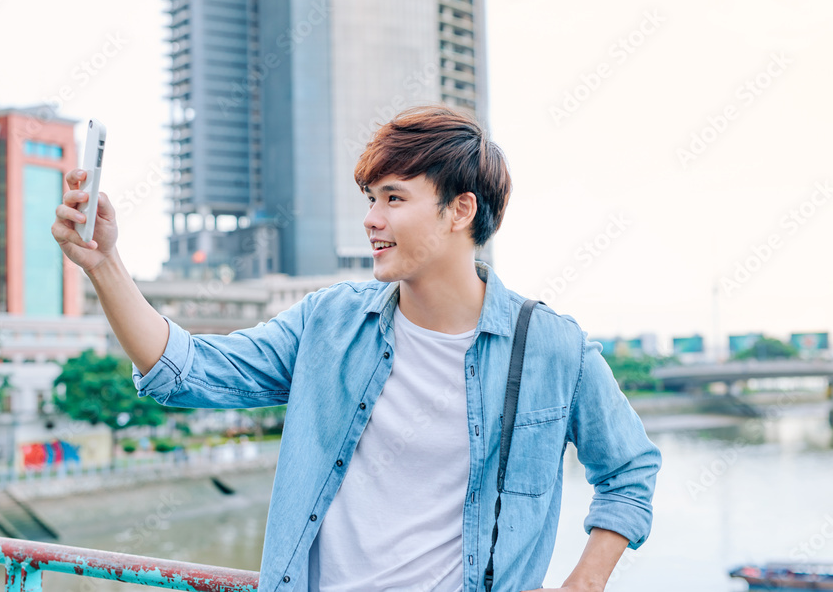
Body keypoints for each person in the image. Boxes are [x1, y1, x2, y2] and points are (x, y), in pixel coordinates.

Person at [52, 105, 662, 592]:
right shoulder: (330, 323)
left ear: (461, 210)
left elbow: (629, 471)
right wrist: (105, 266)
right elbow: (188, 371)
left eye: (393, 198)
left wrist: (584, 582)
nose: (371, 218)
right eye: (370, 198)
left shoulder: (554, 349)